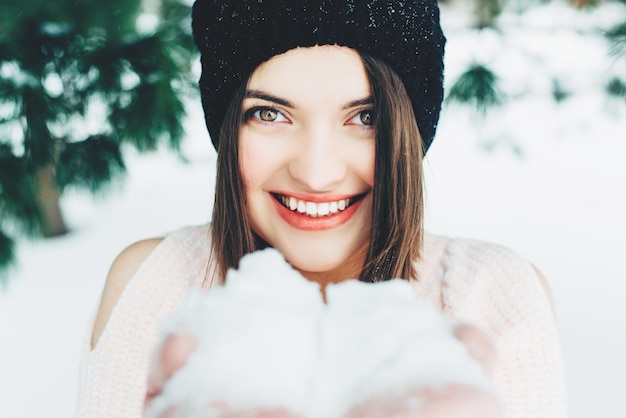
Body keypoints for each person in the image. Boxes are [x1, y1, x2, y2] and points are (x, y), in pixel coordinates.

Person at [77, 1, 566, 417]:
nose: (316, 174)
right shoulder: (155, 286)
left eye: (364, 117)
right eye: (269, 114)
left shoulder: (491, 295)